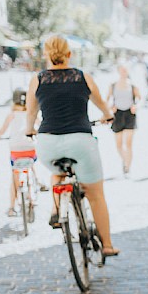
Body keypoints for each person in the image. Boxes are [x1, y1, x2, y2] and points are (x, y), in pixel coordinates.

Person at [25, 35, 119, 256]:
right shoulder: (82, 77)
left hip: (48, 143)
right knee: (95, 195)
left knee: (57, 172)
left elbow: (31, 112)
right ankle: (106, 245)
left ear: (46, 55)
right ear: (70, 54)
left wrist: (30, 130)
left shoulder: (37, 79)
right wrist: (107, 116)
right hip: (80, 142)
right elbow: (102, 104)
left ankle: (57, 207)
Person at [0, 89, 39, 216]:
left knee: (15, 176)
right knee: (31, 164)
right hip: (30, 149)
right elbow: (40, 124)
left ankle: (12, 207)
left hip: (16, 150)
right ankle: (33, 191)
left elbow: (2, 130)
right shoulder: (31, 113)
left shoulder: (12, 114)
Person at [106, 63, 141, 176]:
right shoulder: (113, 85)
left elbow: (140, 99)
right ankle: (125, 160)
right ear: (118, 71)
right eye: (122, 70)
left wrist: (136, 106)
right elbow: (106, 100)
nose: (123, 72)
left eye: (125, 70)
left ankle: (127, 167)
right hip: (118, 115)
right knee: (119, 144)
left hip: (129, 115)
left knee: (128, 144)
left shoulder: (132, 85)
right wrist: (110, 107)